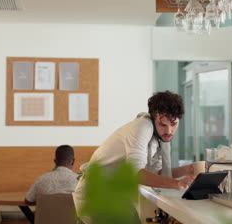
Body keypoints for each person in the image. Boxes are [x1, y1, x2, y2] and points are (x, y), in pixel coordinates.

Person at [73, 91, 196, 223]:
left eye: (174, 124)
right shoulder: (142, 127)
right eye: (163, 125)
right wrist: (176, 184)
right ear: (153, 118)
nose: (169, 131)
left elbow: (155, 173)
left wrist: (186, 170)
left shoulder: (158, 138)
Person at [22, 145, 79, 223]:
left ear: (55, 161)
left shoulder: (41, 179)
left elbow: (28, 200)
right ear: (73, 161)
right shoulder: (81, 182)